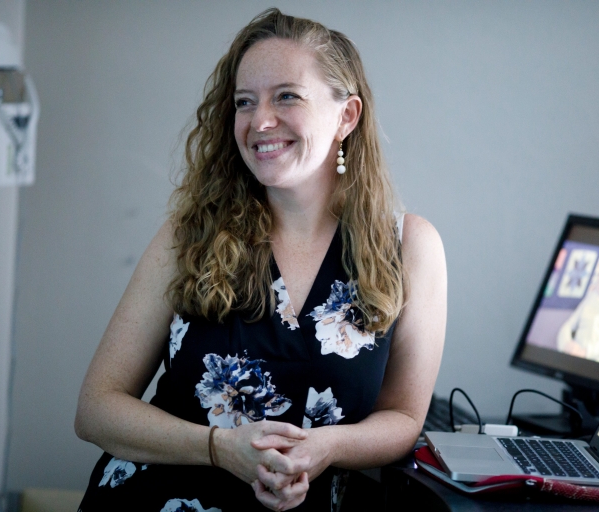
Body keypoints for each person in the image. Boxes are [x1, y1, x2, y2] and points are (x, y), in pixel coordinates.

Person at [75, 8, 446, 511]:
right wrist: (218, 449)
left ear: (347, 116)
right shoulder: (188, 236)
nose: (260, 120)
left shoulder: (408, 247)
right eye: (244, 102)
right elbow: (96, 410)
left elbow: (405, 418)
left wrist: (327, 448)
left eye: (287, 96)